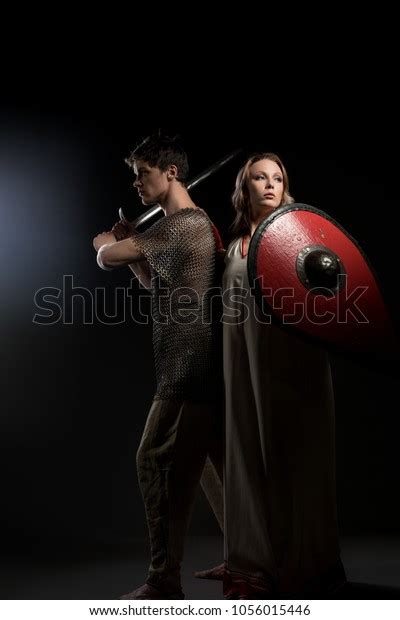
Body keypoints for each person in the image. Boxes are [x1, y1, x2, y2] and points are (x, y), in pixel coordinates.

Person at [93, 134, 224, 599]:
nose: (136, 183)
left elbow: (108, 258)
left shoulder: (186, 224)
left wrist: (106, 242)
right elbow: (151, 278)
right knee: (210, 468)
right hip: (185, 367)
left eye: (142, 173)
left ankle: (164, 580)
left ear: (170, 173)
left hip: (188, 371)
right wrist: (136, 247)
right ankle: (249, 561)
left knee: (153, 461)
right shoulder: (179, 228)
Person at [222, 152, 346, 598]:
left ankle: (307, 566)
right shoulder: (232, 244)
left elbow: (330, 294)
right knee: (250, 453)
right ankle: (254, 566)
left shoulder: (301, 237)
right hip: (244, 366)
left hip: (294, 365)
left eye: (278, 177)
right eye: (260, 177)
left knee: (296, 457)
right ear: (245, 187)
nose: (270, 184)